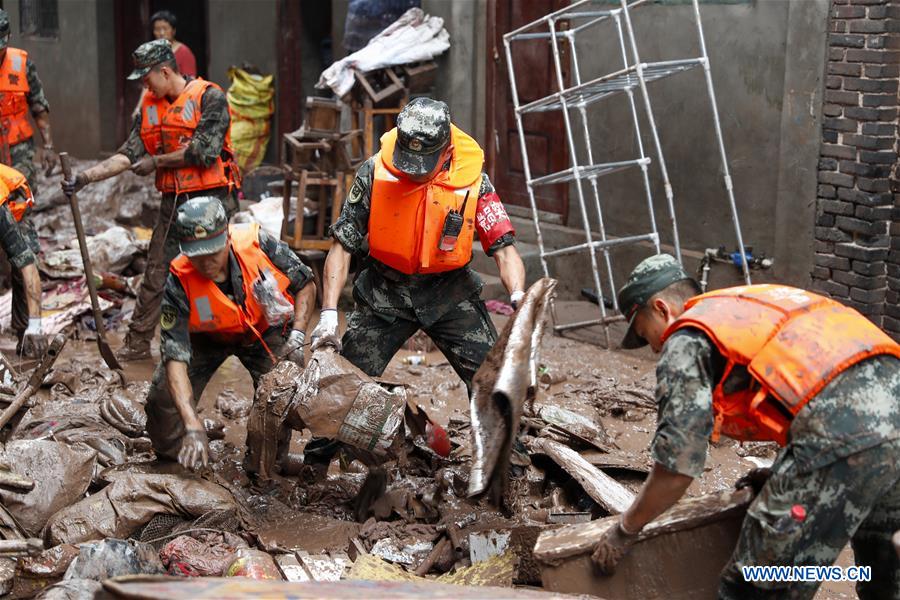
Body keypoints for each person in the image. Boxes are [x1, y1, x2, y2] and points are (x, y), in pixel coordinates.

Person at [591, 254, 900, 600]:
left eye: (646, 334)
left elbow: (677, 468)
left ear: (662, 309)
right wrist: (781, 470)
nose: (654, 348)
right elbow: (814, 386)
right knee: (883, 570)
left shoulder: (687, 339)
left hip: (840, 437)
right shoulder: (748, 307)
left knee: (753, 585)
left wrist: (625, 529)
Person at [308, 97, 526, 393]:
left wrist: (517, 296)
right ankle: (332, 441)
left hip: (449, 291)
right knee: (343, 393)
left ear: (447, 151)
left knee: (495, 387)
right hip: (385, 292)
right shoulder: (374, 173)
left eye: (422, 165)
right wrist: (329, 313)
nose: (412, 171)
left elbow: (504, 249)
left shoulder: (475, 184)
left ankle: (506, 441)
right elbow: (342, 245)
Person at [62, 39, 241, 361]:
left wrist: (156, 162)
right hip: (173, 203)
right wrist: (87, 178)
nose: (144, 85)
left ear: (165, 70)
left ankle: (228, 337)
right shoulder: (149, 105)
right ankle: (137, 343)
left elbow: (204, 152)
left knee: (215, 269)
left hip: (212, 199)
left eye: (147, 78)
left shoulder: (210, 97)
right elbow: (128, 154)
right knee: (158, 270)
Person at [145, 196, 315, 470]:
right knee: (161, 397)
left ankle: (266, 461)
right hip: (207, 336)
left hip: (262, 331)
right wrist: (192, 424)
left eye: (212, 253)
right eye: (197, 256)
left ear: (226, 237)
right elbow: (174, 356)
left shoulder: (259, 245)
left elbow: (306, 283)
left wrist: (297, 336)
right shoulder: (179, 278)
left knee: (282, 391)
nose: (206, 263)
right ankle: (178, 455)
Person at [0, 9, 54, 352]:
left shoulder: (21, 63)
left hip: (18, 153)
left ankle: (22, 323)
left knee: (19, 235)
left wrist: (48, 145)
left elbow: (39, 105)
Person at [0, 164, 43, 357]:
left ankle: (26, 335)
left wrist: (36, 325)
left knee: (20, 269)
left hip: (14, 204)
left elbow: (28, 266)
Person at [151, 10, 196, 77]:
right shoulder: (151, 52)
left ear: (173, 30)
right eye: (157, 29)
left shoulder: (184, 52)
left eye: (165, 29)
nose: (161, 33)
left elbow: (190, 81)